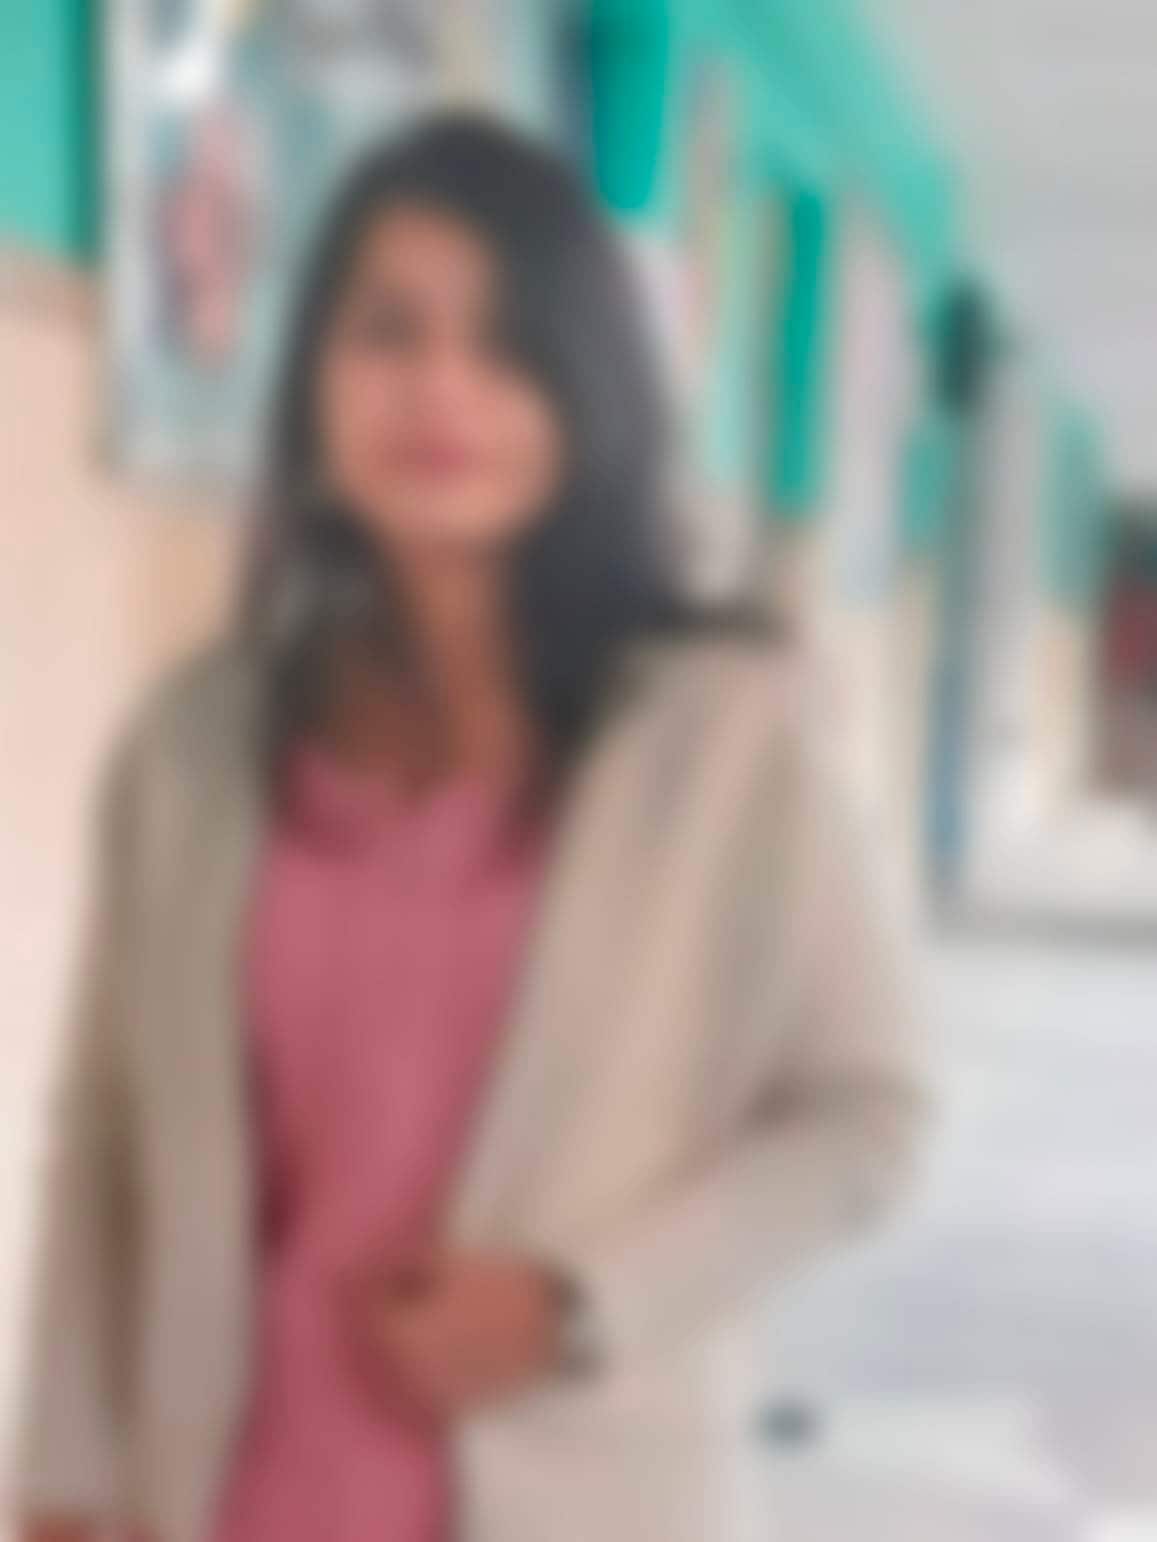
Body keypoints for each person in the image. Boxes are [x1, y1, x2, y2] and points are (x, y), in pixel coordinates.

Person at [13, 112, 927, 1542]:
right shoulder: (190, 754)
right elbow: (106, 1149)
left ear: (587, 390)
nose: (441, 387)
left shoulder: (732, 741)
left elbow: (867, 1118)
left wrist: (580, 1303)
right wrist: (65, 1486)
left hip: (585, 1493)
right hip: (228, 1502)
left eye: (506, 345)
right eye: (388, 332)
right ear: (311, 381)